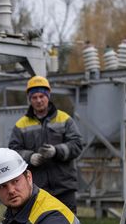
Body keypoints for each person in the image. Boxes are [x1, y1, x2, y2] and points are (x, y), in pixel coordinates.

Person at [8, 75, 85, 212]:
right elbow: (13, 151)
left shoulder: (64, 119)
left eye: (41, 96)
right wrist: (30, 157)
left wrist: (56, 151)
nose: (38, 100)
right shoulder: (21, 125)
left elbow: (77, 144)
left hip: (64, 188)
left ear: (48, 96)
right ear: (29, 99)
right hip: (37, 190)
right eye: (34, 97)